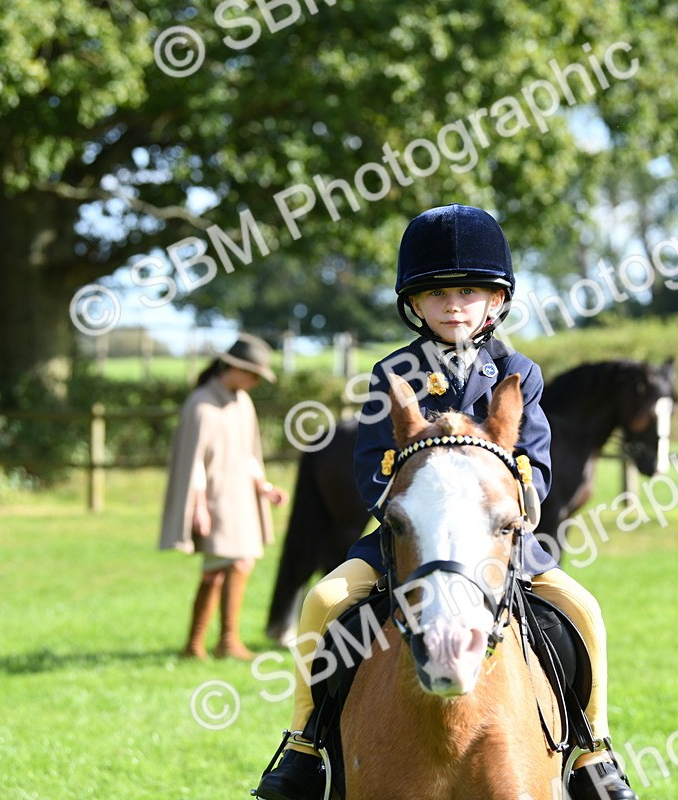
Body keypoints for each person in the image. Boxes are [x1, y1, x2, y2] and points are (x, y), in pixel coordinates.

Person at [254, 205, 637, 800]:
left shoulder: (520, 372)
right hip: (410, 542)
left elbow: (534, 462)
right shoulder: (392, 372)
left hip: (497, 541)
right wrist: (417, 508)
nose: (453, 305)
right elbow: (374, 469)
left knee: (583, 610)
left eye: (469, 291)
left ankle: (592, 750)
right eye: (437, 294)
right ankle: (304, 747)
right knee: (323, 603)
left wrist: (507, 503)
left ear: (496, 301)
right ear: (414, 303)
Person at [160, 333, 288, 661]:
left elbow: (248, 454)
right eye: (253, 375)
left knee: (221, 567)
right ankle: (220, 641)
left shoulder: (241, 402)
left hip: (241, 497)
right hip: (214, 499)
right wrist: (198, 506)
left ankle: (201, 644)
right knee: (230, 563)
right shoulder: (201, 405)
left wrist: (265, 487)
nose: (255, 382)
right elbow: (194, 462)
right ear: (233, 367)